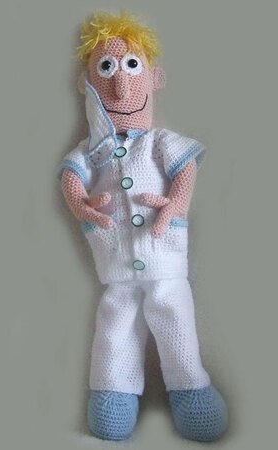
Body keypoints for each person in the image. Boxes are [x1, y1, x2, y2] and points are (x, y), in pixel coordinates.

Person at [58, 12, 227, 441]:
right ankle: (112, 393)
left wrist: (176, 205)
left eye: (132, 67)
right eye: (106, 69)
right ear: (87, 84)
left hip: (166, 264)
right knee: (114, 333)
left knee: (177, 328)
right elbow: (70, 178)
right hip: (115, 270)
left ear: (155, 78)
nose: (120, 84)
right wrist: (82, 206)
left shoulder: (159, 142)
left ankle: (191, 389)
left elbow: (186, 169)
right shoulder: (91, 151)